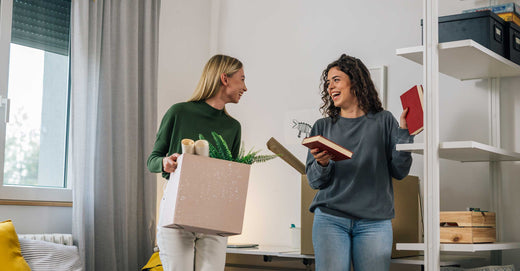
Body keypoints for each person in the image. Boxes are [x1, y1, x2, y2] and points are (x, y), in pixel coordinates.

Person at [305, 54, 414, 271]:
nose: (330, 87)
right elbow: (314, 181)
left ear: (355, 80)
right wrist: (323, 164)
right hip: (330, 219)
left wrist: (404, 133)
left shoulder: (384, 120)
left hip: (375, 222)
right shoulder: (322, 127)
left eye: (336, 79)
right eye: (328, 83)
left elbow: (400, 171)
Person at [147, 54, 247, 271]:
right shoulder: (179, 113)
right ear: (225, 78)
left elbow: (230, 176)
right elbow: (152, 160)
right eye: (242, 79)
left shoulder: (233, 127)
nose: (245, 87)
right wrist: (165, 162)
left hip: (215, 212)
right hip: (177, 205)